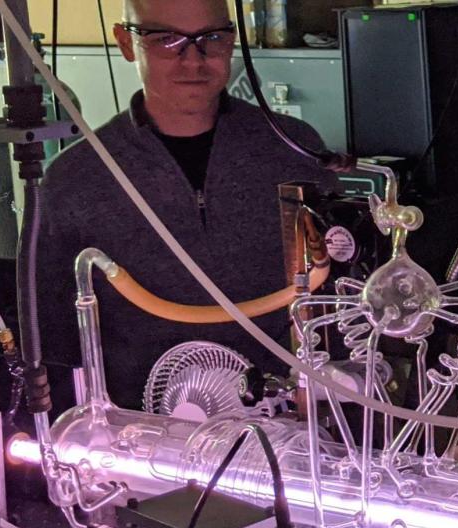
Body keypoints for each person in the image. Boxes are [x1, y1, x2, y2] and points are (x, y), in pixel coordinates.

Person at [36, 0, 335, 410]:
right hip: (139, 435)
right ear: (126, 42)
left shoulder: (292, 150)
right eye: (167, 39)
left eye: (211, 38)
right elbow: (50, 330)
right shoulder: (78, 178)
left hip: (285, 422)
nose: (193, 60)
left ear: (233, 39)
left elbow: (337, 296)